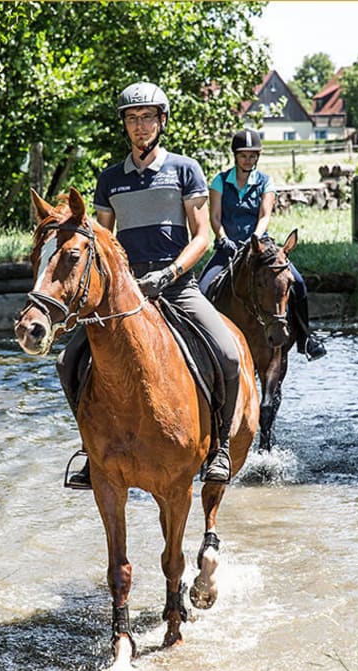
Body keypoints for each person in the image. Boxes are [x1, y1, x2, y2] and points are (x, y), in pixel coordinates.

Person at [56, 81, 241, 490]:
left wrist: (169, 274)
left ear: (162, 121)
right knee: (67, 362)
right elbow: (103, 241)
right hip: (126, 292)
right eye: (132, 119)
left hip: (177, 286)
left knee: (228, 354)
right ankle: (91, 451)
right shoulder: (110, 179)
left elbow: (201, 237)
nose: (140, 126)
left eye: (147, 117)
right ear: (124, 125)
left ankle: (221, 447)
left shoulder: (185, 169)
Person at [198, 129, 327, 361]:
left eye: (252, 156)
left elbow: (265, 215)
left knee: (298, 283)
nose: (248, 160)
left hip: (260, 249)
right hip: (228, 247)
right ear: (235, 156)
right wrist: (222, 237)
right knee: (202, 287)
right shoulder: (220, 181)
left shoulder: (265, 182)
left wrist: (254, 240)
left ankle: (306, 339)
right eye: (243, 155)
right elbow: (215, 217)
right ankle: (200, 343)